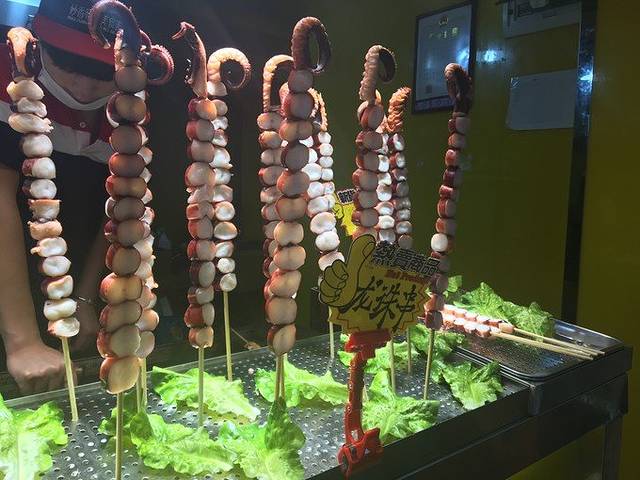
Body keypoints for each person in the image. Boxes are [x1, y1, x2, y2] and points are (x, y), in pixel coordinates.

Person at [0, 0, 121, 395]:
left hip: (71, 270)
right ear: (39, 44)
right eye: (67, 64)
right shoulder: (9, 74)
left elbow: (117, 206)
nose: (83, 88)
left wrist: (85, 297)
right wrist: (22, 341)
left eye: (103, 73)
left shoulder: (127, 104)